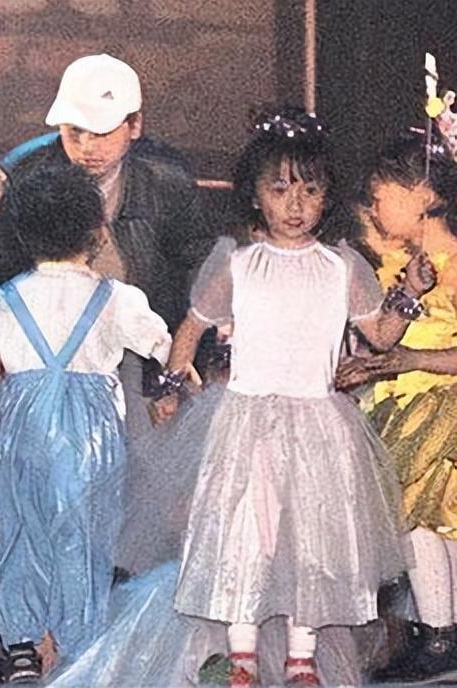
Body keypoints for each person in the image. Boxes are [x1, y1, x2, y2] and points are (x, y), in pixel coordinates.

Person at [52, 108, 434, 688]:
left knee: (312, 543)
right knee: (245, 538)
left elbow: (378, 334)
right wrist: (173, 388)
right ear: (255, 194)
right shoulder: (237, 262)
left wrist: (409, 293)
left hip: (319, 423)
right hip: (248, 422)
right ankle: (242, 659)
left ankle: (302, 659)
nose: (295, 204)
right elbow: (191, 328)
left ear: (327, 196)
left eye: (310, 190)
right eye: (280, 189)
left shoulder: (342, 265)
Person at [0, 163, 172, 682]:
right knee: (84, 534)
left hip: (25, 424)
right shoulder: (117, 299)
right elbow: (162, 346)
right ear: (98, 232)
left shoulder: (4, 299)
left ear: (23, 235)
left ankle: (22, 644)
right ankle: (76, 645)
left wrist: (8, 406)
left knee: (23, 530)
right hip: (90, 433)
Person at [336, 131, 457, 684]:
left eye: (381, 195)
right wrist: (368, 365)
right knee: (426, 520)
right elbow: (383, 340)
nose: (374, 206)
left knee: (421, 517)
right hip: (401, 406)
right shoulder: (402, 268)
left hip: (436, 409)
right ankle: (438, 630)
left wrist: (410, 359)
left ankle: (439, 634)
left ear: (423, 194)